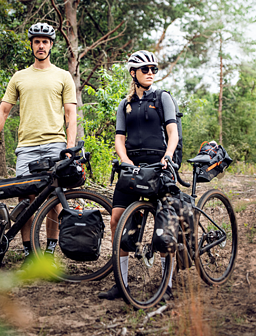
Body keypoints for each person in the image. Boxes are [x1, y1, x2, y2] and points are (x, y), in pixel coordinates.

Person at [0, 22, 77, 267]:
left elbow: (70, 115)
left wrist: (70, 146)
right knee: (26, 201)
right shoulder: (19, 77)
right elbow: (3, 111)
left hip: (55, 144)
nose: (41, 45)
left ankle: (49, 254)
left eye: (45, 41)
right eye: (37, 41)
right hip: (26, 147)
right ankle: (28, 254)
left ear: (51, 45)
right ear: (32, 45)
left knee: (54, 201)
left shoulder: (63, 76)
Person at [98, 50, 178, 301]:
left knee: (164, 227)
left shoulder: (162, 97)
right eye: (145, 69)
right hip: (132, 166)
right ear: (133, 73)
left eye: (154, 69)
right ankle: (121, 284)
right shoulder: (125, 104)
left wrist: (168, 156)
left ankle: (167, 285)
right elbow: (119, 138)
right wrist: (125, 160)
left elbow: (172, 133)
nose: (151, 73)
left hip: (158, 164)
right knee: (116, 220)